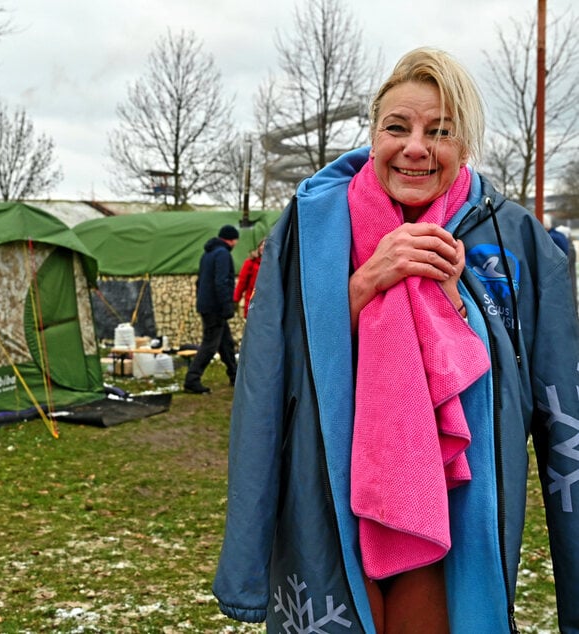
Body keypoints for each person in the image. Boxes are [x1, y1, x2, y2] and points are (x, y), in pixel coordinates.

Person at [213, 47, 579, 633]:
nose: (415, 147)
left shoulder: (513, 246)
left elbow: (563, 415)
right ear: (374, 132)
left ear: (464, 146)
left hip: (455, 516)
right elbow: (267, 379)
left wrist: (457, 307)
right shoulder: (311, 230)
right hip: (327, 502)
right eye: (397, 127)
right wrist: (361, 287)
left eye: (440, 131)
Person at [183, 224, 240, 394]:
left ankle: (235, 375)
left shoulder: (207, 254)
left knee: (226, 344)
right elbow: (221, 282)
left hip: (207, 304)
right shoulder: (222, 255)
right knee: (210, 345)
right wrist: (227, 306)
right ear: (231, 239)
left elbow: (200, 282)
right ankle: (192, 379)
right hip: (216, 307)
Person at [233, 239, 265, 318]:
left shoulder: (274, 265)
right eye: (261, 245)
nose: (263, 248)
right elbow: (242, 282)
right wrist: (235, 299)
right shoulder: (250, 262)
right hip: (252, 303)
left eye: (266, 246)